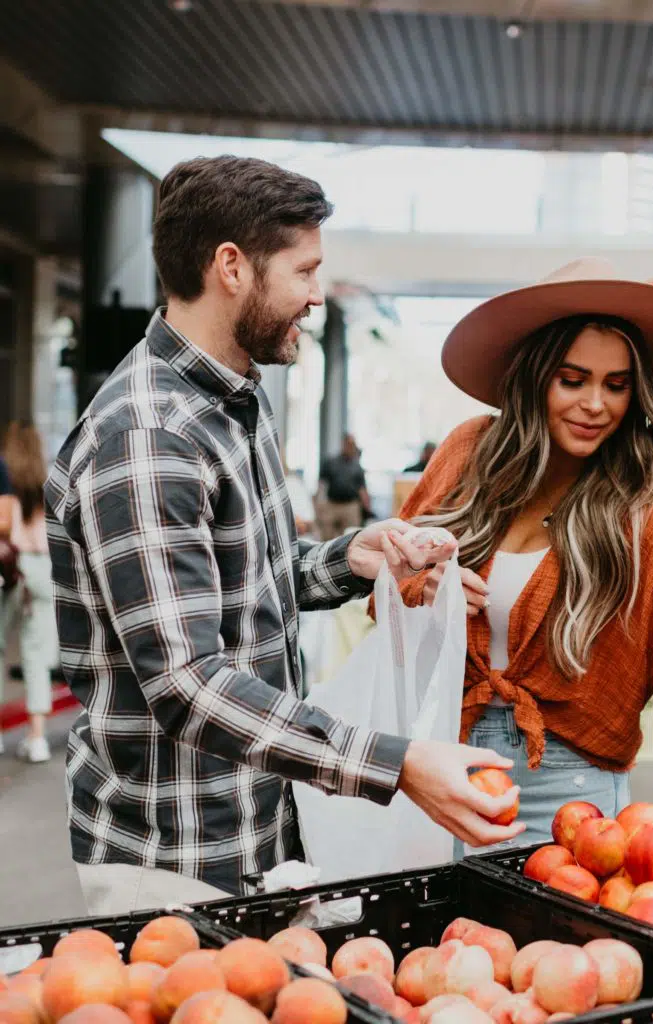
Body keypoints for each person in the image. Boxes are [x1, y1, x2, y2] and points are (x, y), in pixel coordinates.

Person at [45, 155, 523, 916]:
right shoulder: (147, 435)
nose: (315, 296)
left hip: (253, 845)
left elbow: (234, 586)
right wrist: (396, 767)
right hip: (174, 866)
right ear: (231, 267)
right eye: (304, 270)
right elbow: (189, 683)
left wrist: (350, 560)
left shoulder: (234, 403)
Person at [391, 258, 653, 888]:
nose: (595, 404)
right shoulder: (467, 455)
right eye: (573, 379)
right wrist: (421, 592)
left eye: (617, 385)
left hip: (569, 806)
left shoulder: (647, 504)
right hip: (436, 775)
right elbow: (389, 586)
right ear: (535, 376)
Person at [0, 422, 57, 762]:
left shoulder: (8, 481)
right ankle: (37, 739)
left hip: (12, 567)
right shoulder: (47, 481)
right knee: (37, 655)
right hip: (44, 567)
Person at [317, 434, 372, 537]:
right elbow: (321, 485)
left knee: (350, 537)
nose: (350, 447)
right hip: (332, 505)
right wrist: (318, 505)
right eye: (348, 444)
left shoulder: (357, 467)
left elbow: (362, 490)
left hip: (350, 506)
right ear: (343, 444)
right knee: (327, 536)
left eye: (352, 444)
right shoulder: (331, 462)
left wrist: (367, 508)